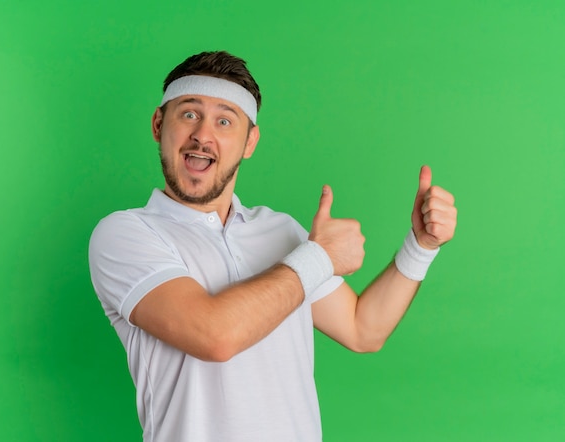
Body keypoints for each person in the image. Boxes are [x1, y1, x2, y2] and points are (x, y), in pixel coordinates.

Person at [88, 50, 457, 442]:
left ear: (250, 142)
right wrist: (318, 257)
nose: (202, 134)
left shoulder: (282, 232)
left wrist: (420, 246)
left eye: (225, 120)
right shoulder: (124, 234)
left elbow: (363, 329)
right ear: (159, 124)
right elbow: (214, 335)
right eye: (189, 114)